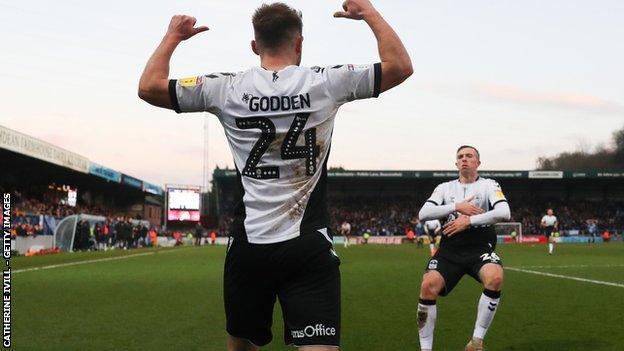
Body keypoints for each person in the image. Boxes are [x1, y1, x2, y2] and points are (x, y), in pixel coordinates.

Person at [138, 1, 412, 350]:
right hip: (308, 244)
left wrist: (172, 37)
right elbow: (400, 66)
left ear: (255, 46)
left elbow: (148, 87)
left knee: (241, 345)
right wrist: (369, 13)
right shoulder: (326, 82)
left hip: (249, 247)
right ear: (299, 43)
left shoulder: (225, 87)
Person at [417, 145, 511, 351]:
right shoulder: (444, 188)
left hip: (479, 247)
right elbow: (423, 213)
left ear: (478, 162)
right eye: (460, 157)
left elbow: (504, 212)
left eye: (469, 156)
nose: (464, 159)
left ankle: (476, 342)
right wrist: (456, 207)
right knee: (427, 286)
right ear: (456, 163)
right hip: (450, 249)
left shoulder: (489, 185)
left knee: (495, 278)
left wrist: (469, 221)